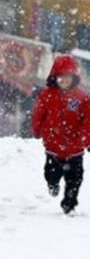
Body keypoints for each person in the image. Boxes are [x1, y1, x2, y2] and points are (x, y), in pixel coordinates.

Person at [31, 54, 90, 215]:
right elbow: (38, 115)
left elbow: (88, 120)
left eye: (68, 77)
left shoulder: (82, 98)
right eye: (61, 77)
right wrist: (37, 131)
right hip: (53, 146)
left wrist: (88, 139)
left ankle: (69, 204)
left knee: (75, 179)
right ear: (54, 77)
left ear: (73, 78)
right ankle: (53, 184)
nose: (64, 81)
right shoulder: (46, 95)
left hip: (75, 148)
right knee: (51, 173)